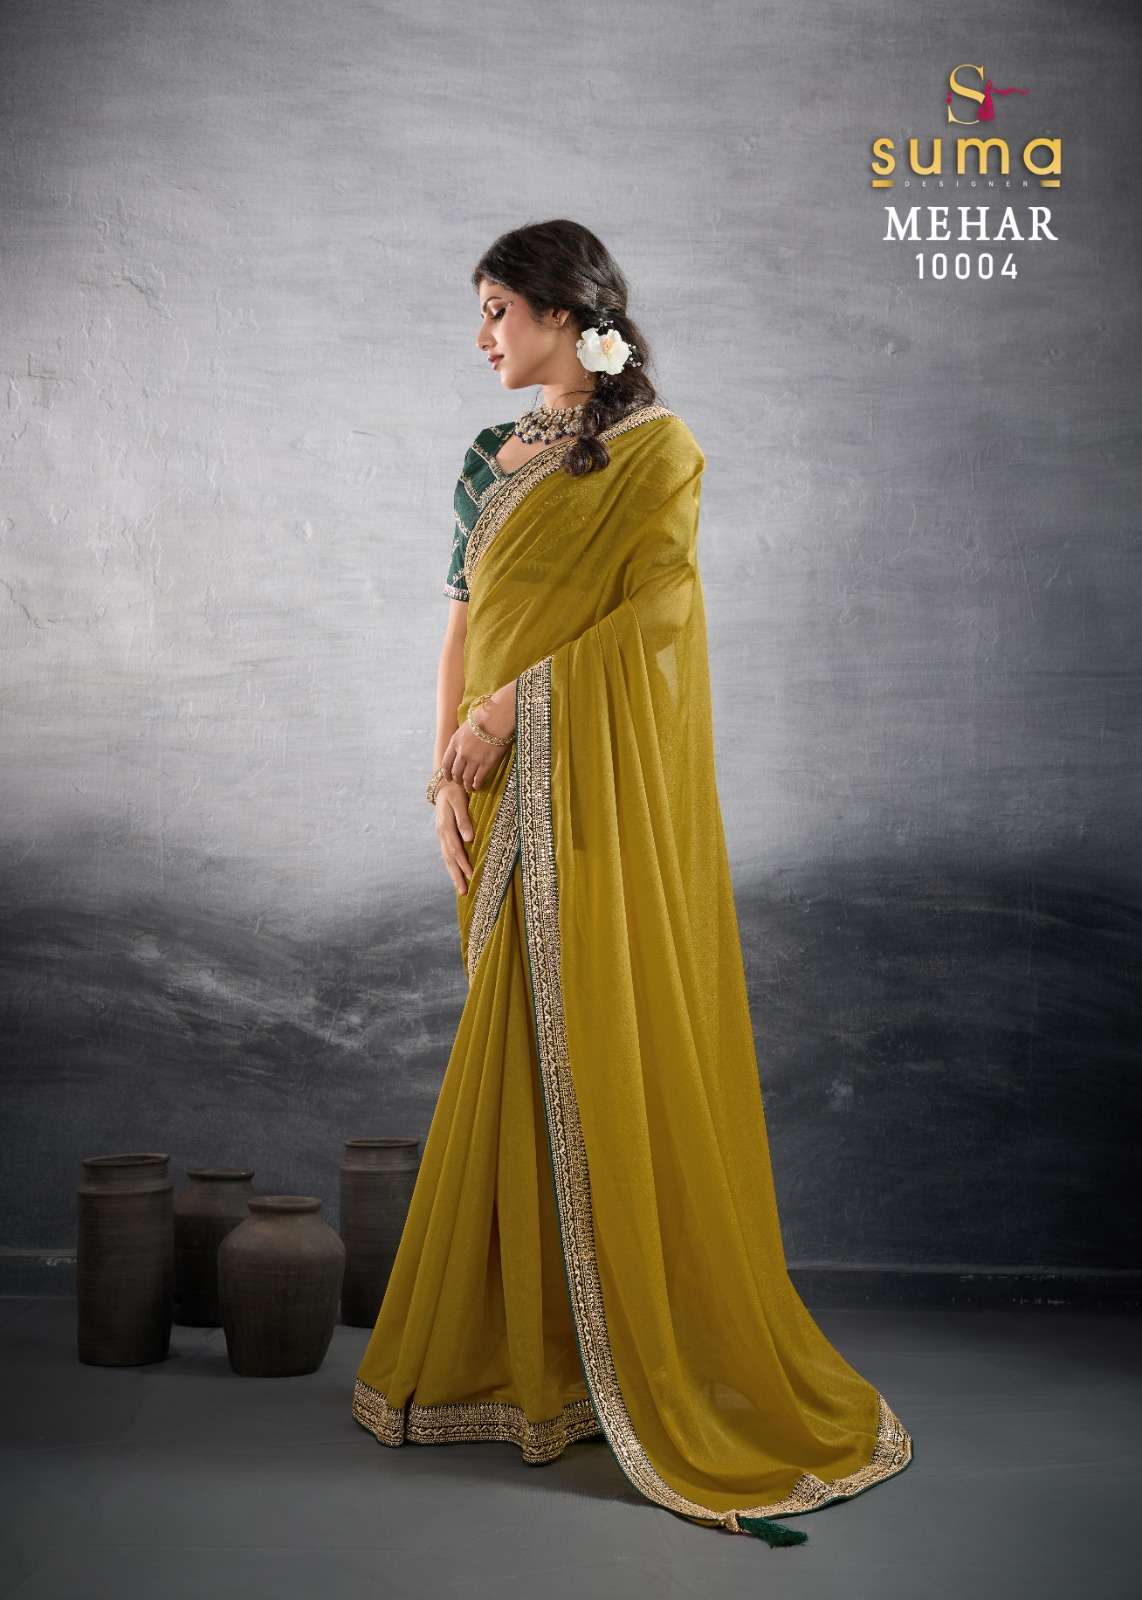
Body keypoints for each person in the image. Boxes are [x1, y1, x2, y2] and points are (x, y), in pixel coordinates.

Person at [352, 219, 913, 1545]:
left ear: (563, 313)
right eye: (482, 311)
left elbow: (656, 618)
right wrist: (445, 773)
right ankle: (531, 1363)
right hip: (495, 787)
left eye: (498, 309)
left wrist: (513, 713)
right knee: (513, 1047)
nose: (482, 336)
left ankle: (613, 1356)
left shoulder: (655, 451)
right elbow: (460, 619)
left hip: (583, 789)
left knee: (590, 1041)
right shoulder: (486, 459)